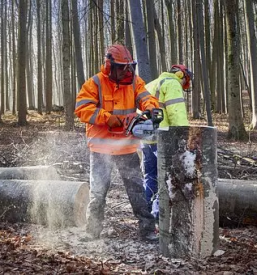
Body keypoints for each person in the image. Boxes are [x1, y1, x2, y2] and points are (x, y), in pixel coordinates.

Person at [74, 44, 159, 241]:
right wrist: (106, 117)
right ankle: (92, 231)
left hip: (126, 147)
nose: (126, 70)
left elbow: (147, 98)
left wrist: (150, 109)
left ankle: (147, 230)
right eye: (122, 67)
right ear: (110, 65)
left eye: (129, 66)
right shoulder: (95, 83)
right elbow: (81, 108)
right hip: (101, 149)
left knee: (137, 190)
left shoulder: (134, 82)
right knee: (98, 192)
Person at [141, 64, 193, 219]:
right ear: (180, 75)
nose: (183, 85)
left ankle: (147, 212)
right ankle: (159, 215)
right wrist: (184, 138)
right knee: (166, 176)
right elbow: (177, 114)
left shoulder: (151, 84)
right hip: (163, 138)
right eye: (184, 81)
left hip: (145, 138)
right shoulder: (172, 83)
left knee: (150, 175)